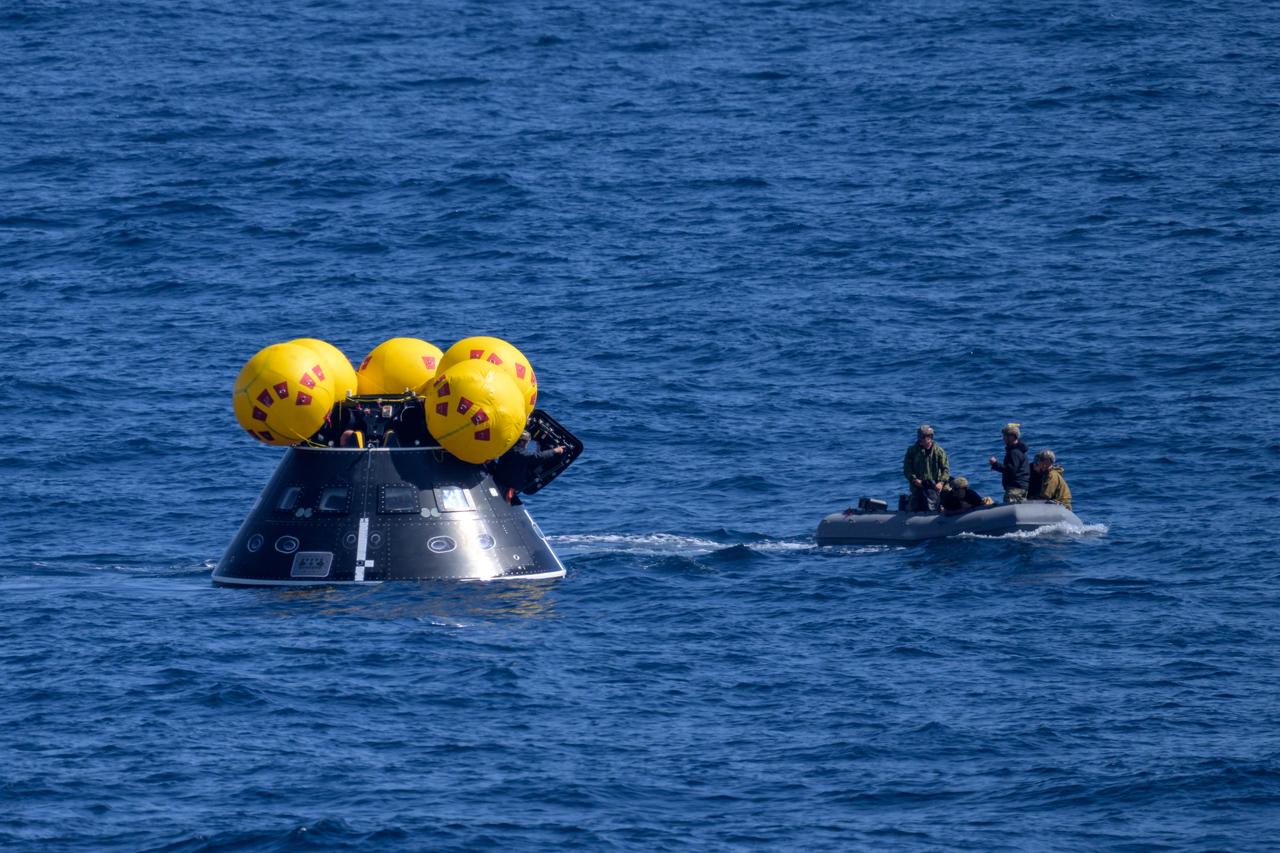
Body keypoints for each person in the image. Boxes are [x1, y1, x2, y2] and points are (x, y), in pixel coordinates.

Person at [493, 431, 567, 504]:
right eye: (526, 441)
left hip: (502, 476)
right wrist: (554, 451)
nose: (527, 443)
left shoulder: (509, 446)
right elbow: (536, 457)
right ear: (522, 442)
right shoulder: (518, 452)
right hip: (506, 484)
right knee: (503, 501)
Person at [902, 424, 949, 512]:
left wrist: (941, 483)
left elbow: (945, 469)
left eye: (923, 437)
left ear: (930, 437)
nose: (920, 439)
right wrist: (914, 479)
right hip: (918, 487)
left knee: (946, 497)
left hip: (935, 486)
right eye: (919, 437)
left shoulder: (939, 451)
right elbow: (907, 469)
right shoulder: (912, 451)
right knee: (915, 506)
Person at [989, 422, 1030, 503]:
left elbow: (1011, 470)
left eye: (1005, 435)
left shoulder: (1014, 452)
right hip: (1022, 487)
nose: (1003, 438)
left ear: (1012, 436)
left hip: (1015, 488)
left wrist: (995, 464)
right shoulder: (1020, 451)